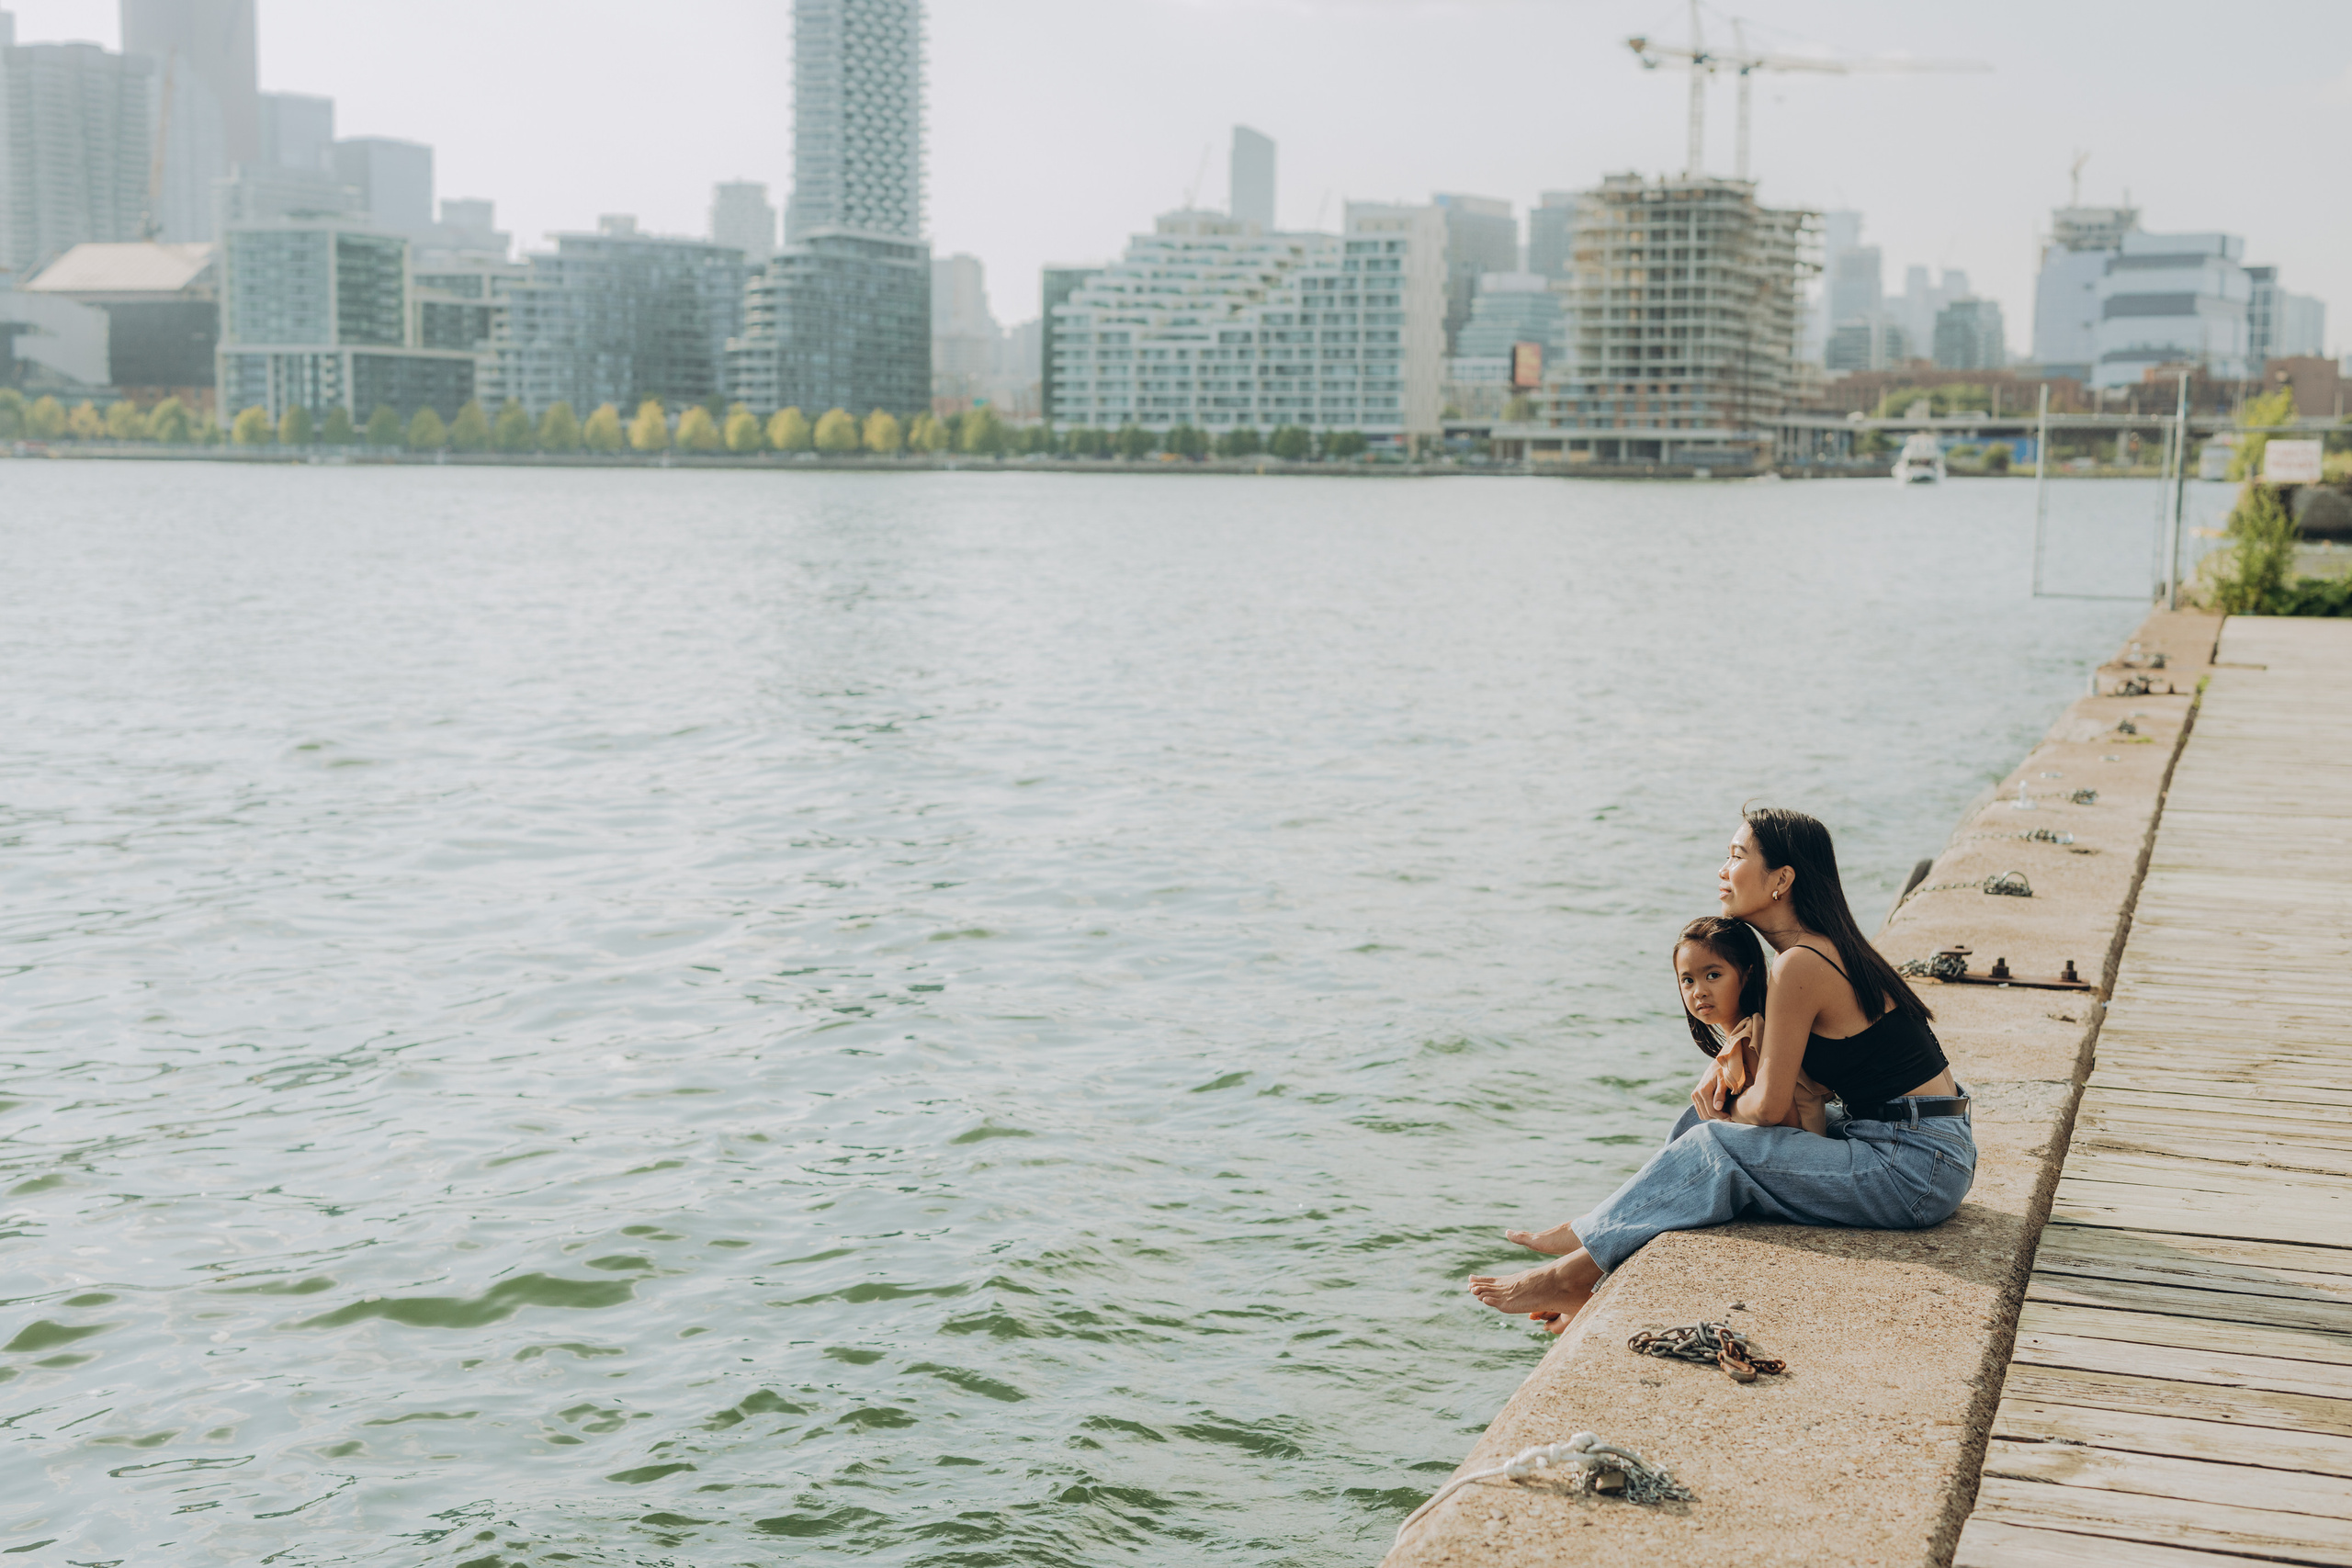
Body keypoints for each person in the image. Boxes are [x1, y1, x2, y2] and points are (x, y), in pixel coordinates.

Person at [1470, 807, 1976, 1329]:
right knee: (1698, 1129)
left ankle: (1576, 1269)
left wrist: (1729, 1105)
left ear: (1782, 879)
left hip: (1913, 1167)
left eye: (1737, 856)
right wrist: (1725, 1076)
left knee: (1713, 1141)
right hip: (1920, 1144)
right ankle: (1599, 1246)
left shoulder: (1800, 963)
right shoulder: (1821, 950)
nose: (1722, 870)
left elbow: (1771, 1106)